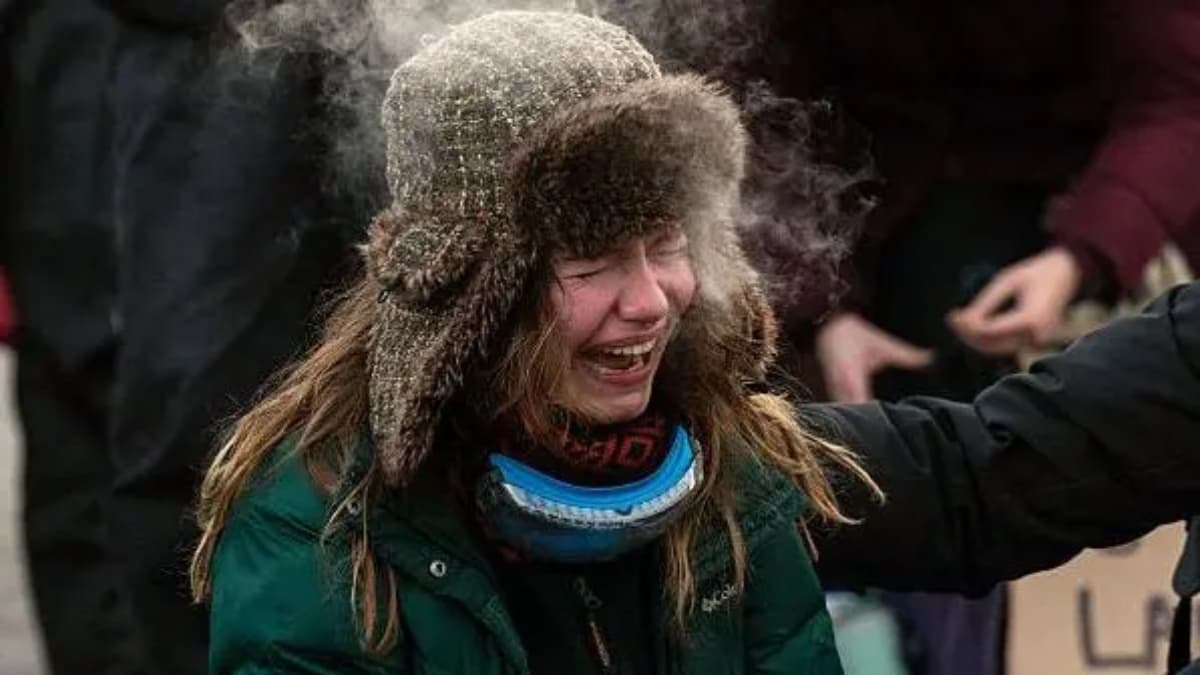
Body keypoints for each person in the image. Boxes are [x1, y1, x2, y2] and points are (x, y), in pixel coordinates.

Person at [193, 11, 872, 673]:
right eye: (590, 261)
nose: (648, 301)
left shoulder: (734, 465)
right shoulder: (321, 534)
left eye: (667, 242)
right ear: (480, 301)